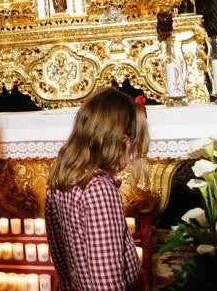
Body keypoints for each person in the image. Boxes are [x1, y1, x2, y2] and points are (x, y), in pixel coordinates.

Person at [45, 88, 149, 291]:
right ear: (124, 142)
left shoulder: (60, 180)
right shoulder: (100, 191)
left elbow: (58, 253)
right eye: (133, 148)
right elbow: (106, 282)